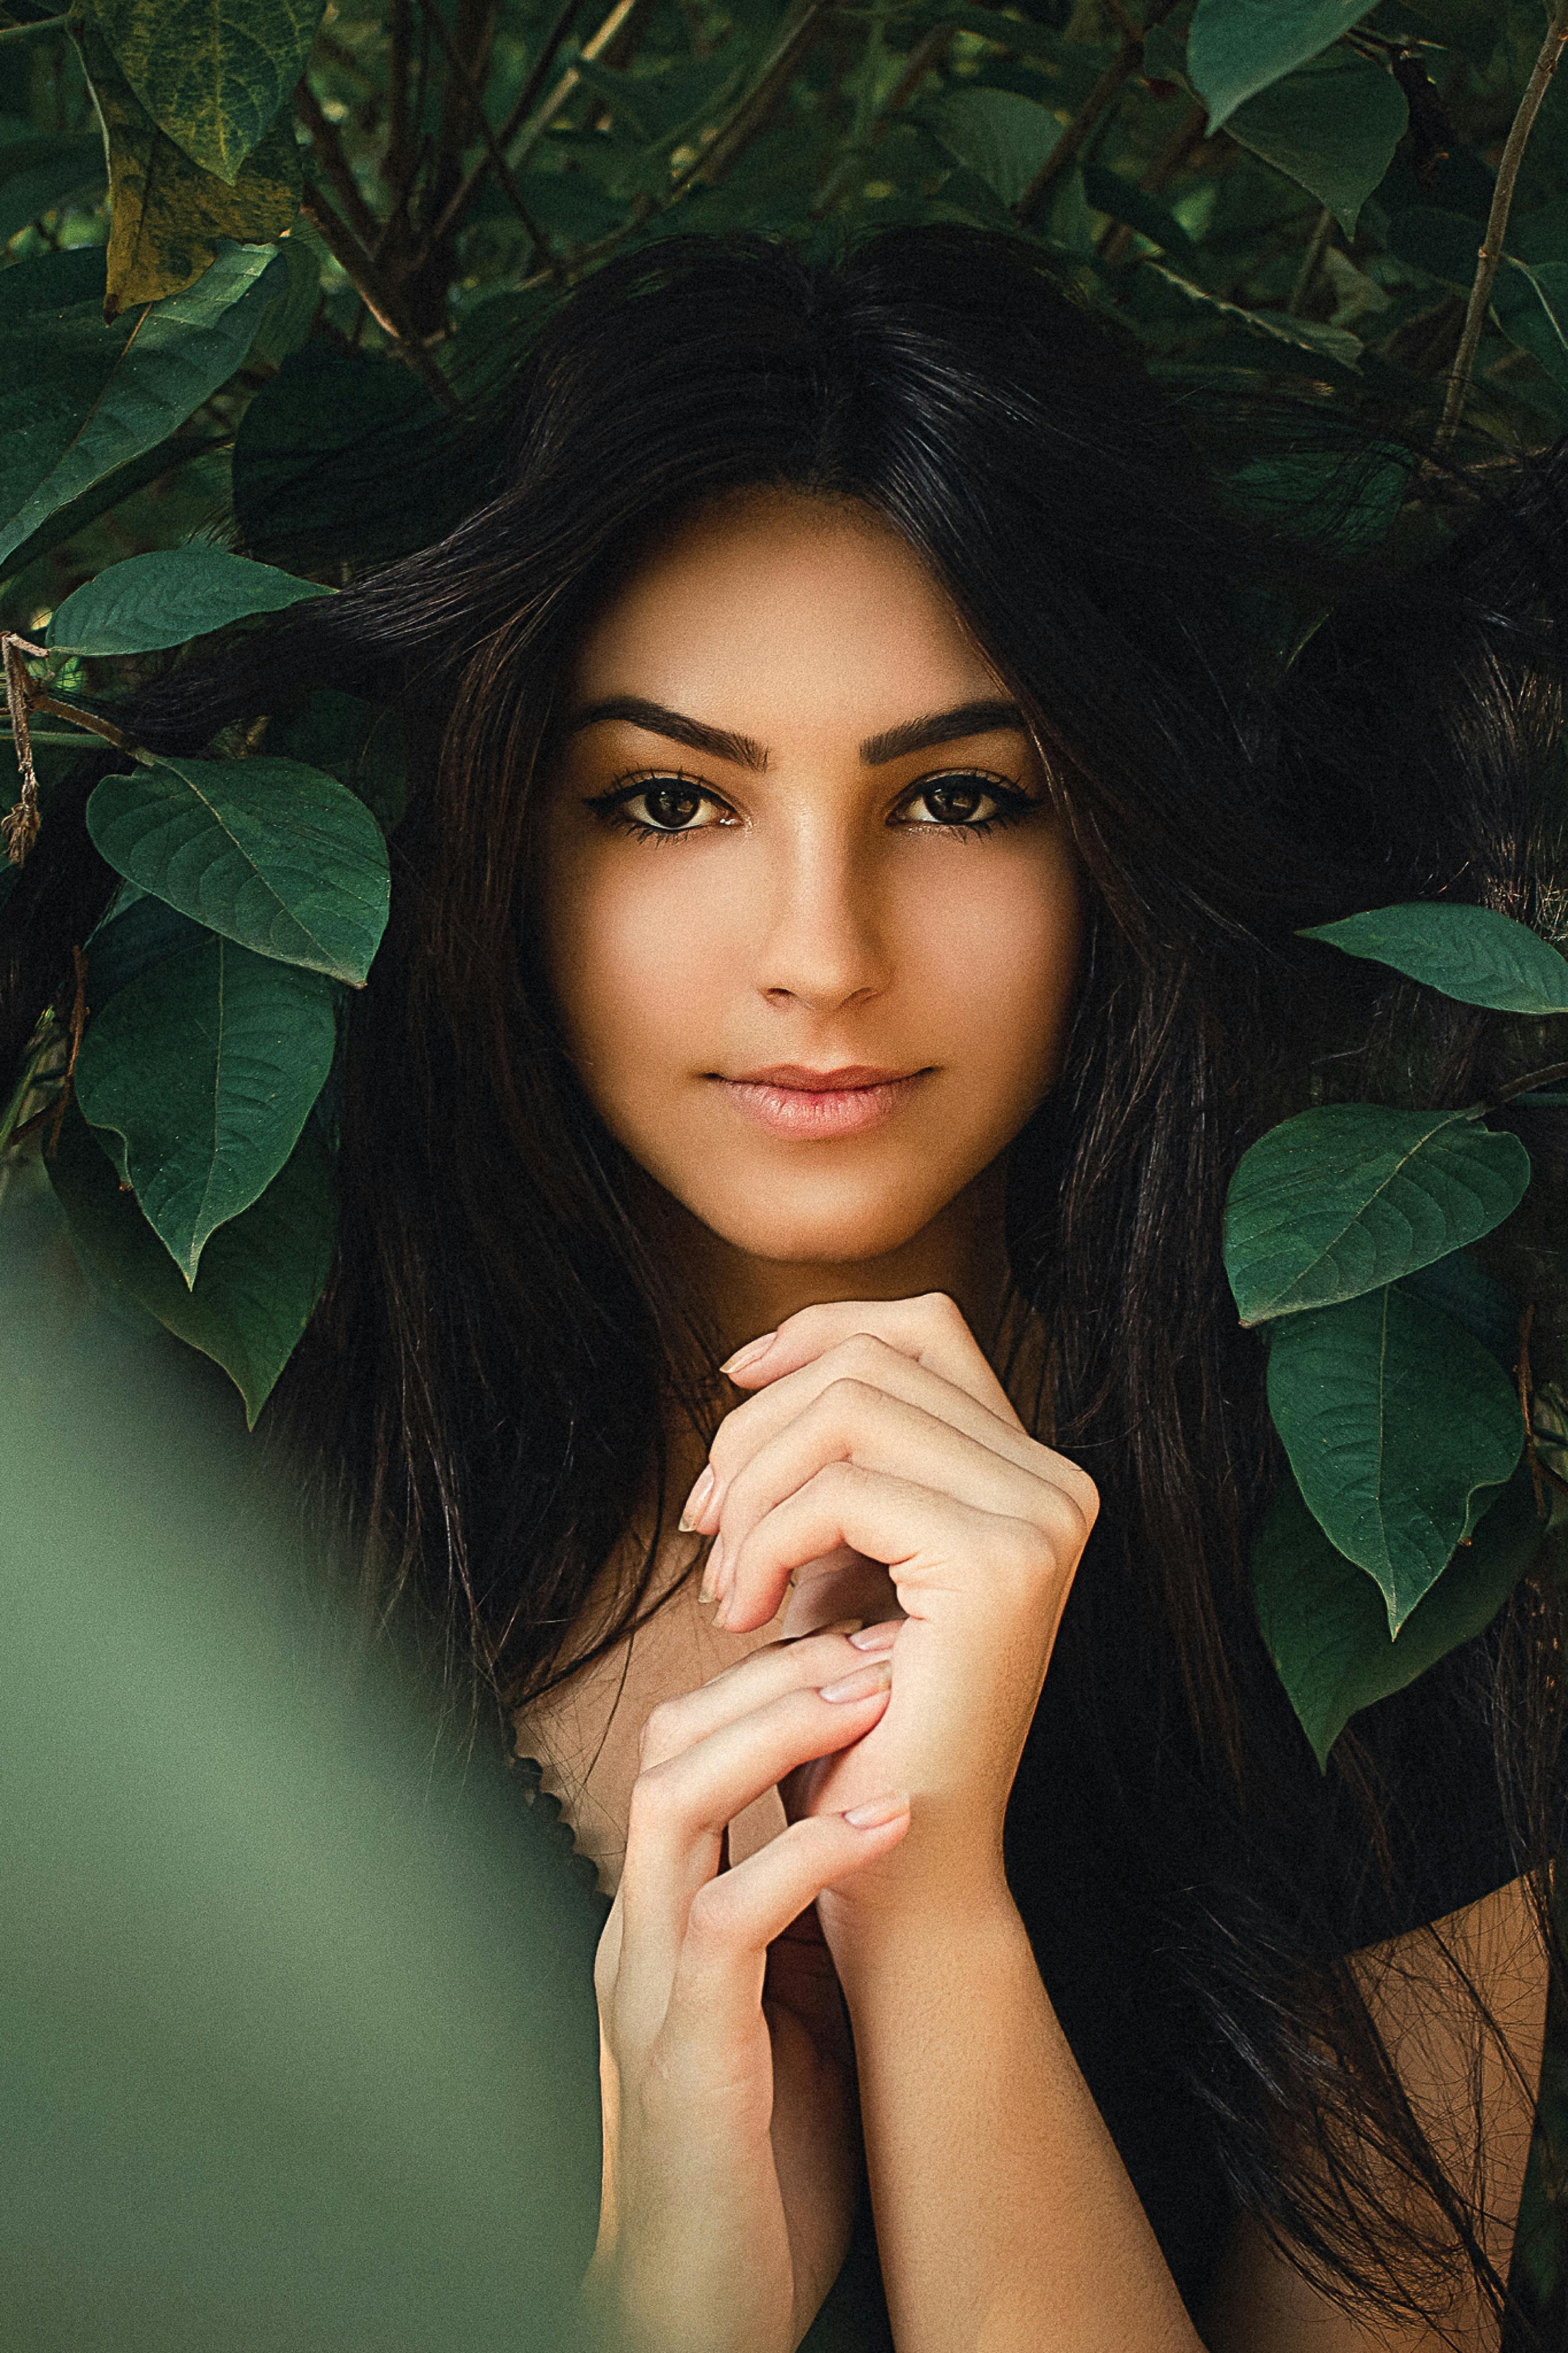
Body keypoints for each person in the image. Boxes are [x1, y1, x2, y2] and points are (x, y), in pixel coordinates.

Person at [9, 226, 1567, 2349]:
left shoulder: (1356, 1588)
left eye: (959, 797)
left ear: (1114, 829)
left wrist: (938, 1935)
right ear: (504, 839)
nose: (821, 951)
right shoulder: (210, 1538)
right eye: (669, 801)